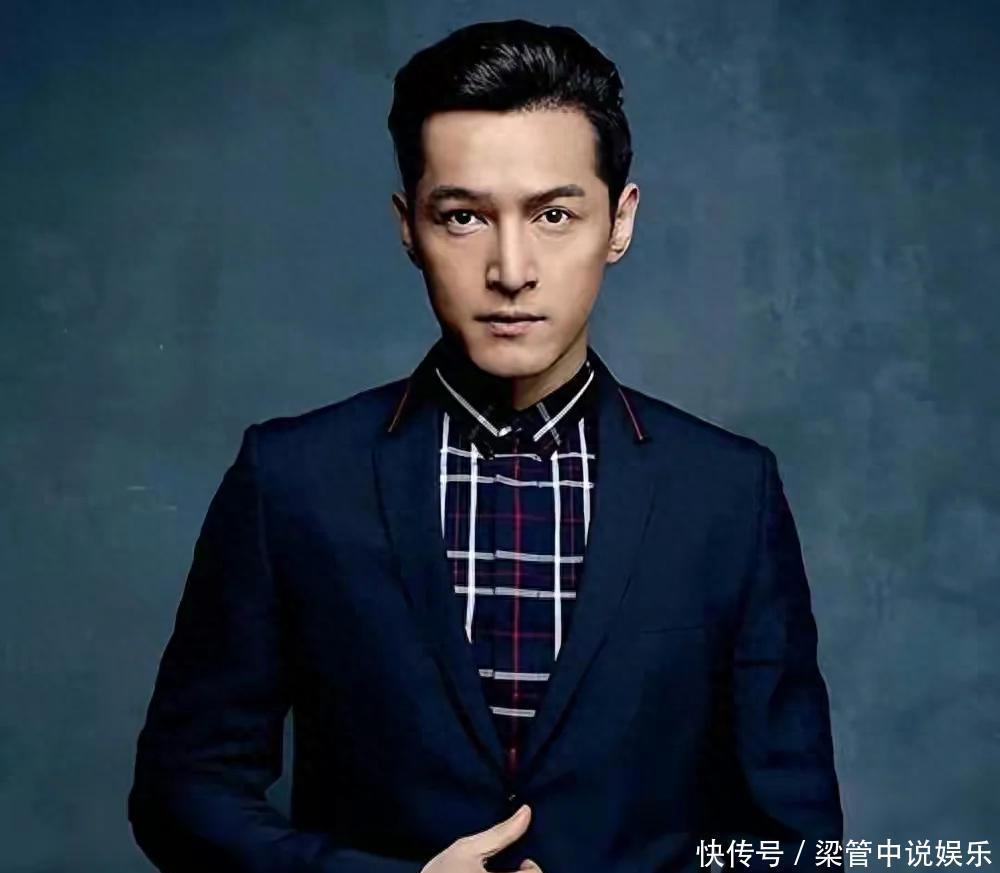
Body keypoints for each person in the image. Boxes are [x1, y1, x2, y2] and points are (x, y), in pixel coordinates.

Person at [127, 18, 842, 873]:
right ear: (409, 227)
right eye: (463, 216)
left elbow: (798, 844)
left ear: (620, 222)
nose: (511, 269)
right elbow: (184, 791)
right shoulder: (292, 479)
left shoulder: (726, 493)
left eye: (554, 214)